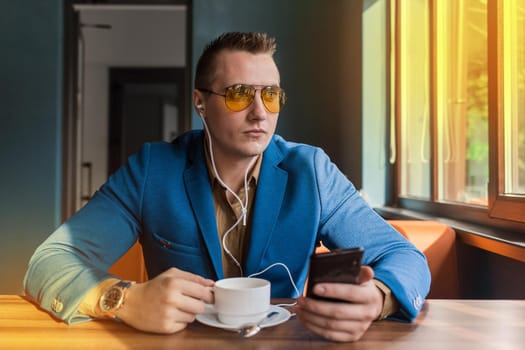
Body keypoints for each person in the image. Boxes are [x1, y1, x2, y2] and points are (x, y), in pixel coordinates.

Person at [24, 32, 430, 342]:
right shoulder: (153, 169)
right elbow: (51, 261)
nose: (259, 112)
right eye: (238, 94)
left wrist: (378, 297)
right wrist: (124, 300)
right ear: (201, 102)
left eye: (270, 95)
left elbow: (403, 256)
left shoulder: (312, 171)